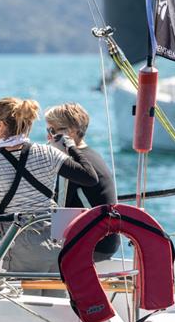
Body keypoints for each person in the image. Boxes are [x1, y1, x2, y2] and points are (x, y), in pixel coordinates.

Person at [0, 97, 100, 294]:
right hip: (58, 242)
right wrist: (70, 146)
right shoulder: (49, 153)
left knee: (28, 311)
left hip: (22, 246)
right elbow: (90, 177)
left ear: (0, 124)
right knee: (56, 309)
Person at [45, 103, 120, 262]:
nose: (48, 137)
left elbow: (59, 214)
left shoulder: (71, 163)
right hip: (107, 242)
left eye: (52, 131)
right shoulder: (92, 156)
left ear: (70, 132)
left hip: (94, 246)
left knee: (29, 253)